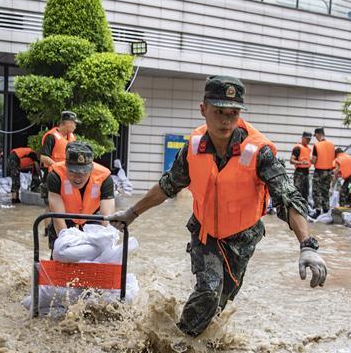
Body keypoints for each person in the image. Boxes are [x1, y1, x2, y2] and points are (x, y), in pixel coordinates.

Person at [106, 76, 327, 338]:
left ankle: (199, 341)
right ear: (203, 109)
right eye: (219, 112)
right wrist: (131, 213)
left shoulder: (260, 152)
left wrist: (307, 246)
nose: (226, 121)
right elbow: (168, 186)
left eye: (233, 113)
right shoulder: (193, 147)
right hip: (205, 233)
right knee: (209, 290)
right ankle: (176, 345)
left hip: (242, 240)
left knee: (221, 302)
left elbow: (288, 198)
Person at [46, 141, 115, 252]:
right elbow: (58, 217)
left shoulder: (104, 177)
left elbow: (107, 219)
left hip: (92, 216)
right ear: (66, 166)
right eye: (73, 171)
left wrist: (107, 241)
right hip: (65, 215)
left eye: (83, 172)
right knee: (59, 251)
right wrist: (65, 243)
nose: (78, 177)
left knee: (99, 251)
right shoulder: (55, 175)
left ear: (91, 168)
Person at [40, 110, 79, 203]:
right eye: (74, 123)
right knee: (52, 206)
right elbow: (43, 157)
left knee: (67, 204)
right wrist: (59, 167)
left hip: (67, 176)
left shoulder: (72, 137)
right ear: (67, 123)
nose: (75, 126)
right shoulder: (51, 137)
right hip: (53, 176)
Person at [310, 127, 336, 217]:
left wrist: (309, 160)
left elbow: (313, 160)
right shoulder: (332, 145)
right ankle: (325, 211)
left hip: (319, 172)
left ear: (317, 134)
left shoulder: (317, 145)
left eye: (315, 135)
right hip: (329, 172)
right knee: (325, 191)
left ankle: (317, 211)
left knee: (316, 191)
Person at [289, 131, 312, 204]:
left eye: (309, 139)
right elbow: (291, 160)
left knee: (306, 191)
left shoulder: (308, 149)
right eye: (307, 139)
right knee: (298, 191)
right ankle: (296, 207)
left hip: (306, 173)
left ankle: (305, 208)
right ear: (302, 138)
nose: (308, 141)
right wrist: (300, 163)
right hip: (299, 172)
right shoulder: (297, 148)